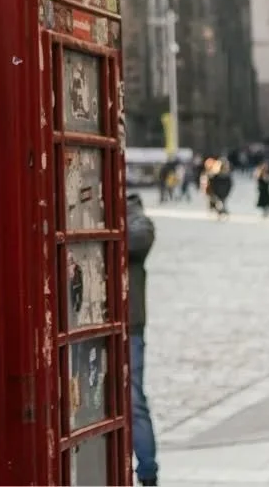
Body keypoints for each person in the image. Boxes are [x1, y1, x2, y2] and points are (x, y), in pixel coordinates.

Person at [127, 192, 158, 486]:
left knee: (134, 400)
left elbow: (137, 239)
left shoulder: (138, 220)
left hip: (130, 325)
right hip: (88, 321)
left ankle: (147, 471)